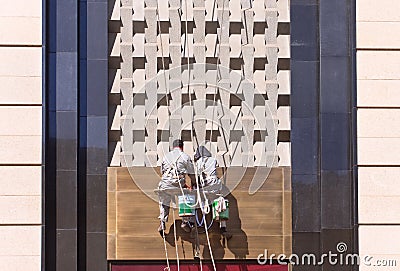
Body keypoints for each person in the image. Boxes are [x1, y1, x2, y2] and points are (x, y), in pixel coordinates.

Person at [157, 139, 195, 236]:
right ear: (182, 147)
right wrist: (194, 184)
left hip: (165, 183)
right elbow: (191, 173)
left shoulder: (166, 156)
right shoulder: (185, 156)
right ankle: (185, 221)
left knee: (164, 201)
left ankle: (162, 221)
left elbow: (162, 171)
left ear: (173, 147)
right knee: (187, 195)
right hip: (178, 182)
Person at [194, 146, 232, 239]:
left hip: (205, 188)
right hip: (215, 187)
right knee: (221, 200)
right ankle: (223, 227)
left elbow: (197, 176)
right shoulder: (213, 160)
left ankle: (198, 225)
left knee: (199, 201)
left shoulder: (198, 163)